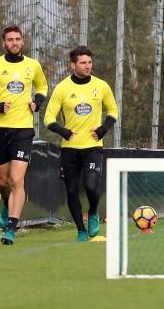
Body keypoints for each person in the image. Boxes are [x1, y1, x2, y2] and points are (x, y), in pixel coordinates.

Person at [0, 25, 48, 245]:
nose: (14, 42)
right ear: (4, 43)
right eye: (10, 39)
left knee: (16, 179)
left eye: (18, 39)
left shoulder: (33, 65)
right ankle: (6, 205)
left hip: (23, 129)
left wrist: (37, 102)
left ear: (22, 41)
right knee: (3, 181)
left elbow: (42, 87)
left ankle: (11, 228)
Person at [43, 46, 118, 241]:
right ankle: (81, 231)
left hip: (93, 147)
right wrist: (64, 132)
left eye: (90, 62)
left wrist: (103, 129)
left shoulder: (101, 86)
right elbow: (48, 118)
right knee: (71, 190)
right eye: (83, 63)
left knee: (92, 186)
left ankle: (93, 211)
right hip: (69, 149)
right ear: (73, 65)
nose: (88, 66)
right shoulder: (62, 88)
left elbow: (113, 112)